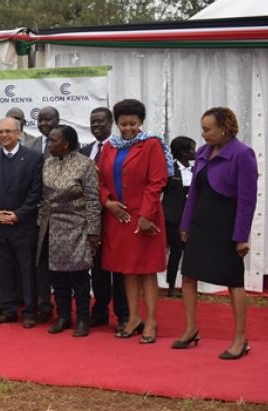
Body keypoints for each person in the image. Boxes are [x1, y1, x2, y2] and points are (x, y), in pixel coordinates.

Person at [176, 107, 258, 360]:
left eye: (207, 129)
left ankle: (240, 338)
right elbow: (195, 194)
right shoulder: (203, 152)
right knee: (188, 277)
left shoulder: (243, 154)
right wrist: (185, 224)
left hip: (226, 226)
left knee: (234, 282)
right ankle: (191, 329)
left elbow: (247, 199)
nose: (203, 134)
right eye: (202, 129)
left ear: (224, 128)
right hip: (200, 223)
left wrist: (241, 236)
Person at [98, 99, 170, 344]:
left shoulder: (151, 145)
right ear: (116, 123)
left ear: (141, 122)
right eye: (123, 123)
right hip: (118, 217)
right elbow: (100, 180)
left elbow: (157, 182)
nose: (128, 128)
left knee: (147, 271)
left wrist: (147, 216)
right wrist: (107, 202)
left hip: (144, 218)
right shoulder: (109, 147)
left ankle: (151, 321)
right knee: (127, 271)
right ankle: (133, 318)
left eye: (133, 123)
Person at [37, 126, 100, 337]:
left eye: (53, 141)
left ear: (65, 143)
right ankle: (63, 316)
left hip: (77, 227)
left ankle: (83, 319)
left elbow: (92, 200)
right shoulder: (48, 163)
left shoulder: (85, 164)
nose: (49, 144)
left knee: (79, 277)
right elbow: (44, 198)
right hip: (52, 227)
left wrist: (93, 231)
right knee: (57, 276)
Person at [0, 117, 43, 328]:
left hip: (23, 226)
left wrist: (19, 214)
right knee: (2, 271)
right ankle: (8, 310)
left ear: (18, 134)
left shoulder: (34, 158)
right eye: (0, 132)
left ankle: (29, 311)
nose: (3, 136)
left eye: (8, 132)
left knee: (27, 271)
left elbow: (36, 192)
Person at [80, 107, 128, 329]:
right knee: (97, 269)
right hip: (92, 220)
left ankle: (124, 314)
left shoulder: (120, 148)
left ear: (111, 123)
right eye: (92, 121)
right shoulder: (85, 150)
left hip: (115, 216)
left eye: (100, 121)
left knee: (118, 270)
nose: (96, 125)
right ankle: (99, 311)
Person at [26, 105, 57, 322]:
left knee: (63, 266)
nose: (44, 124)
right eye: (40, 120)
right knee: (39, 264)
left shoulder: (68, 145)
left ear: (57, 120)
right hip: (35, 216)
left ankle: (64, 308)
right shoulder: (30, 146)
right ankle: (43, 305)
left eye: (49, 120)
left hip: (62, 216)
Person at [162, 136, 196, 297]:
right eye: (191, 149)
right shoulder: (170, 170)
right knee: (175, 252)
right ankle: (171, 286)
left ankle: (188, 285)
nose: (194, 152)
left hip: (191, 219)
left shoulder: (196, 170)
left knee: (190, 253)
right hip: (173, 218)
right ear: (182, 152)